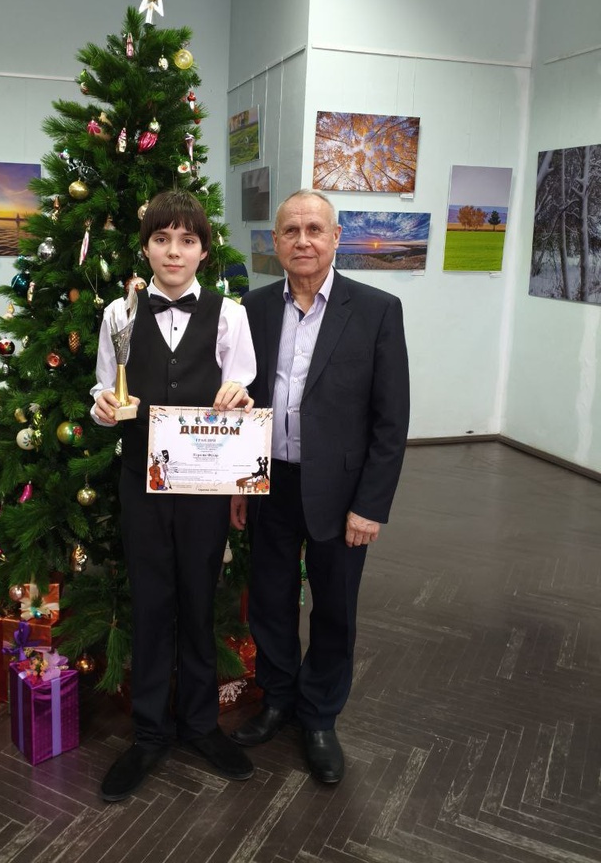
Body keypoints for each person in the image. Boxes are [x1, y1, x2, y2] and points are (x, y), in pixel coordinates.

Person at [229, 189, 409, 784]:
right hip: (269, 482)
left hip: (340, 491)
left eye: (314, 229)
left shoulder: (377, 310)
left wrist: (370, 505)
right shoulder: (252, 309)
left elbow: (391, 421)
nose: (302, 240)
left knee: (334, 607)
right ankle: (278, 698)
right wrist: (239, 482)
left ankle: (320, 716)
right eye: (290, 230)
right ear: (275, 242)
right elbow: (242, 401)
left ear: (336, 238)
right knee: (270, 599)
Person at [91, 189, 257, 802]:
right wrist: (103, 408)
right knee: (151, 601)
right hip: (142, 482)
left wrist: (238, 396)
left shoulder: (230, 315)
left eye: (187, 240)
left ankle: (201, 724)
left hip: (205, 486)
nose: (173, 251)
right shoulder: (119, 314)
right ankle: (149, 733)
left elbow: (241, 387)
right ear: (146, 247)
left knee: (198, 598)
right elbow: (104, 391)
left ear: (204, 250)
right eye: (162, 239)